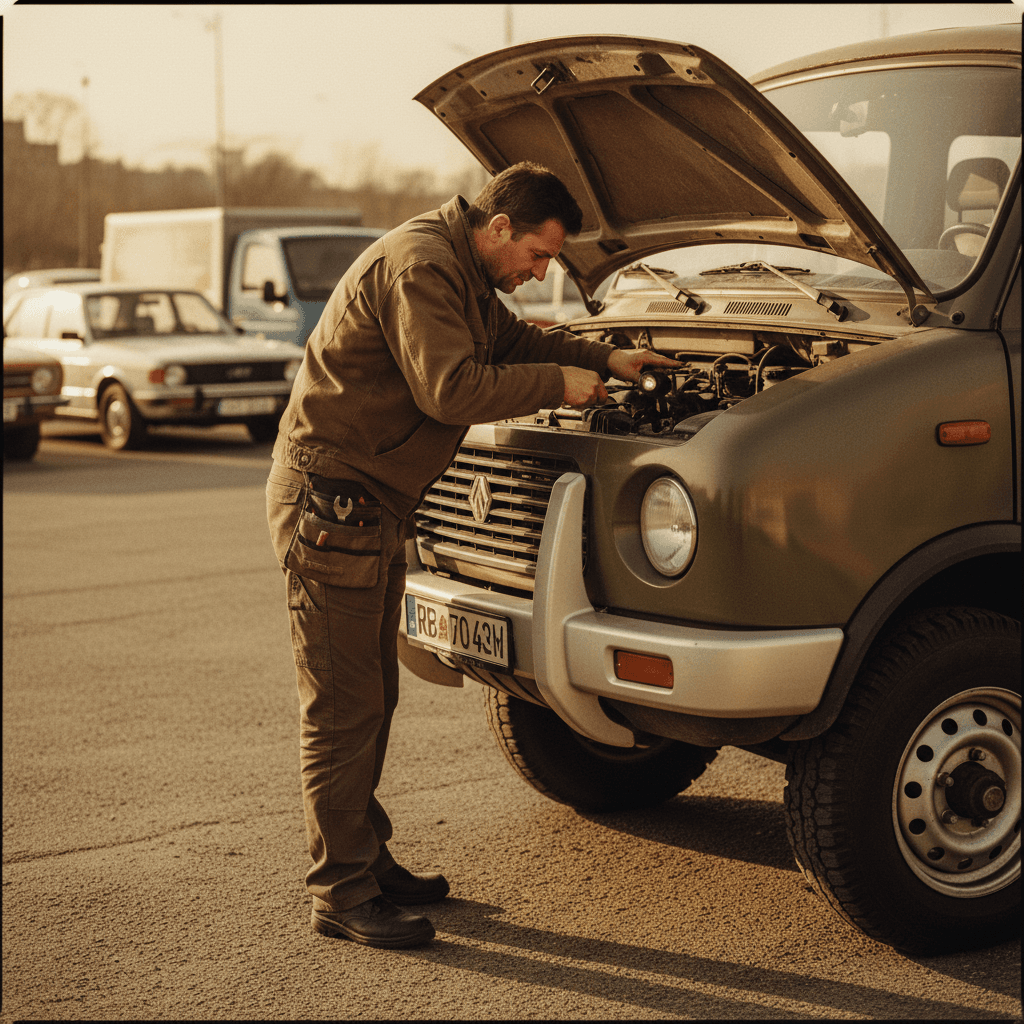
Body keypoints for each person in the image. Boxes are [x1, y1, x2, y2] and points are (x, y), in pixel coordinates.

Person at [265, 161, 679, 949]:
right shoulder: (421, 266)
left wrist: (605, 360)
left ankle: (364, 857)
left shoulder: (459, 267)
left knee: (372, 698)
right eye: (540, 255)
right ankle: (341, 892)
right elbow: (450, 389)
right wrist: (558, 382)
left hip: (367, 505)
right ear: (498, 229)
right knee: (342, 711)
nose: (542, 271)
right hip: (332, 507)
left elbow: (506, 339)